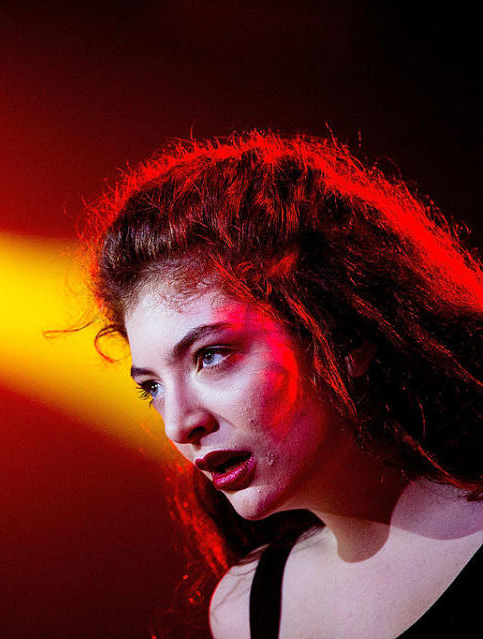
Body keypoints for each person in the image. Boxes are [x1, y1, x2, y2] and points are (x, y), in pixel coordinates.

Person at [83, 132, 483, 638]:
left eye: (212, 355)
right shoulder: (244, 609)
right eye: (152, 387)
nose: (179, 425)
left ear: (346, 335)